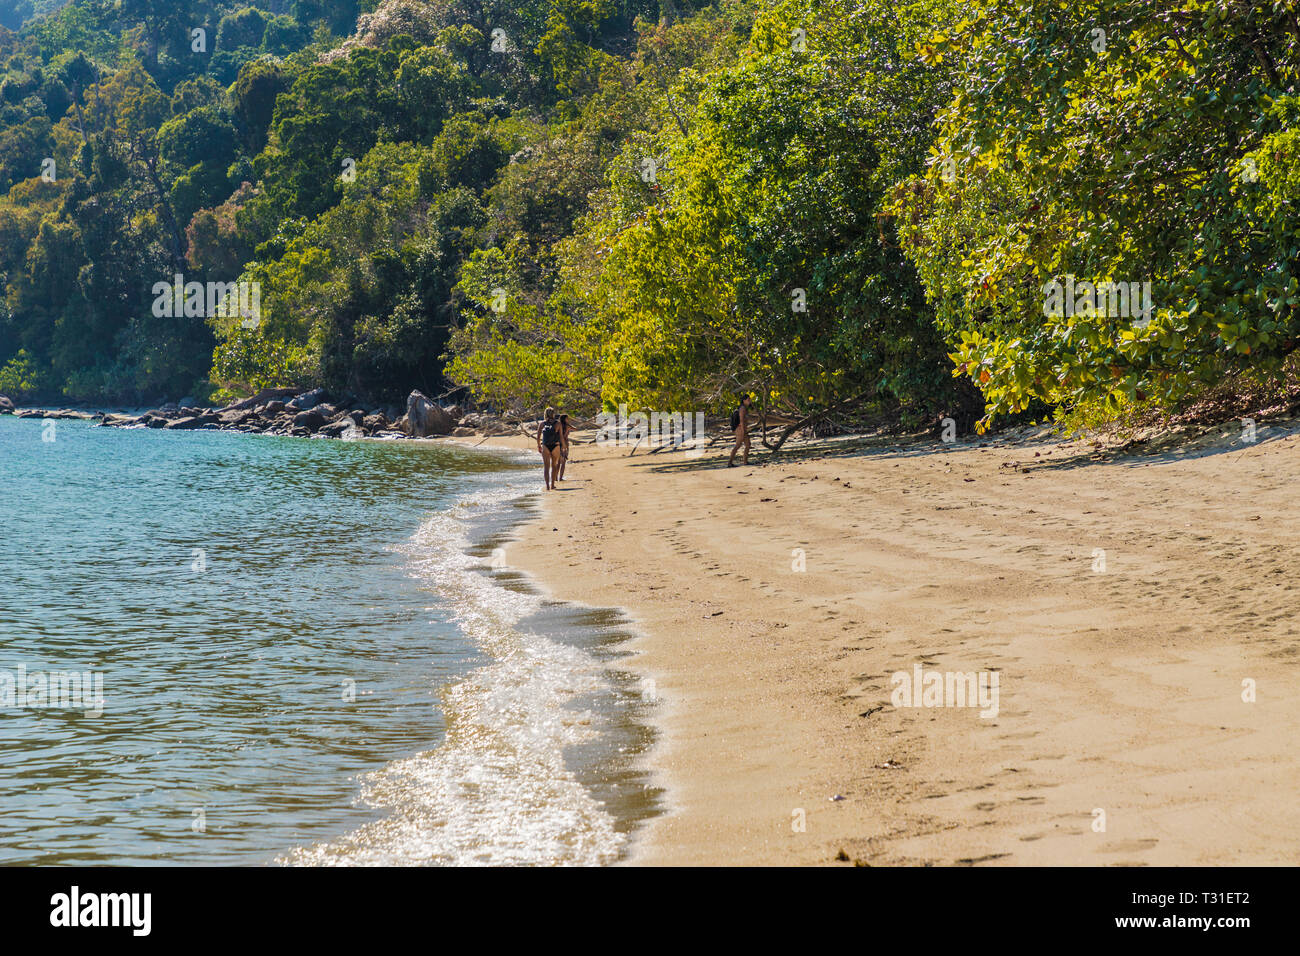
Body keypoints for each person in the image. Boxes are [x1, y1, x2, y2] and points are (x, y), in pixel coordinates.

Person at [537, 407, 564, 490]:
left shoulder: (542, 424)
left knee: (546, 467)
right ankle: (552, 485)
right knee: (554, 465)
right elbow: (561, 437)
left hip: (545, 446)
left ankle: (547, 486)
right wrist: (564, 447)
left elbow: (538, 437)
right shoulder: (558, 423)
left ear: (545, 414)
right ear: (553, 414)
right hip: (555, 446)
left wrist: (539, 446)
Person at [728, 394, 752, 468]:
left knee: (748, 444)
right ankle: (730, 463)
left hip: (742, 429)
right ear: (744, 400)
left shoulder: (744, 408)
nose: (749, 401)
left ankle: (745, 461)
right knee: (738, 445)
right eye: (748, 400)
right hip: (740, 429)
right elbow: (741, 420)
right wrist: (743, 430)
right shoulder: (742, 408)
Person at [556, 413, 576, 481]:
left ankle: (555, 477)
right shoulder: (567, 426)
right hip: (565, 443)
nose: (568, 419)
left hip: (558, 444)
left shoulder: (558, 425)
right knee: (563, 462)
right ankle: (560, 478)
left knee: (558, 462)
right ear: (565, 419)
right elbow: (576, 429)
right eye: (568, 418)